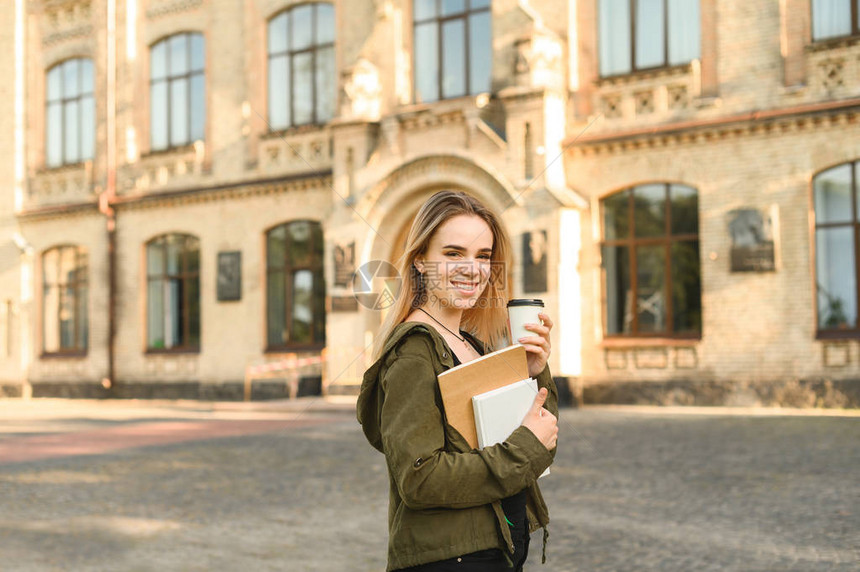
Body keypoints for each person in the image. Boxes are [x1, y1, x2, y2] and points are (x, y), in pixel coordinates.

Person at [357, 190, 559, 571]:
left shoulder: (471, 345)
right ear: (420, 261)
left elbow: (542, 440)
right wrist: (524, 449)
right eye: (453, 254)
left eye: (483, 256)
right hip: (451, 559)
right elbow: (420, 479)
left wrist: (533, 371)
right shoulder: (415, 351)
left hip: (496, 546)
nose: (473, 268)